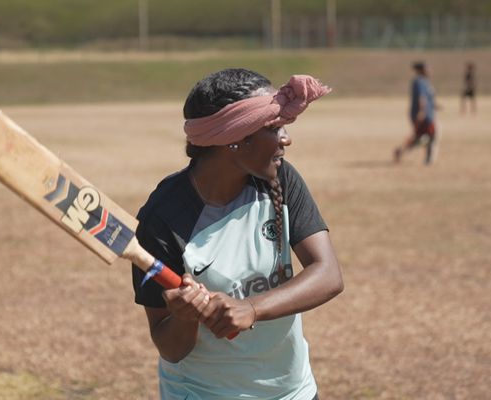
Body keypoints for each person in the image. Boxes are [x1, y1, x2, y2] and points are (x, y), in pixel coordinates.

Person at [132, 68, 344, 399]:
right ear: (235, 139)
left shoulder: (280, 180)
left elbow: (328, 274)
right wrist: (185, 317)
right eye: (274, 129)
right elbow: (170, 348)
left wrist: (252, 308)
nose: (286, 139)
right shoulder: (163, 218)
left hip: (293, 391)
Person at [393, 61, 439, 165]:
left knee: (422, 137)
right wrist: (422, 111)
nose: (429, 70)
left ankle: (401, 151)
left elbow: (428, 98)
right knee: (430, 136)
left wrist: (435, 106)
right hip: (423, 115)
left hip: (428, 114)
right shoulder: (419, 81)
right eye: (427, 68)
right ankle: (428, 160)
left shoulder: (425, 82)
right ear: (421, 70)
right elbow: (421, 98)